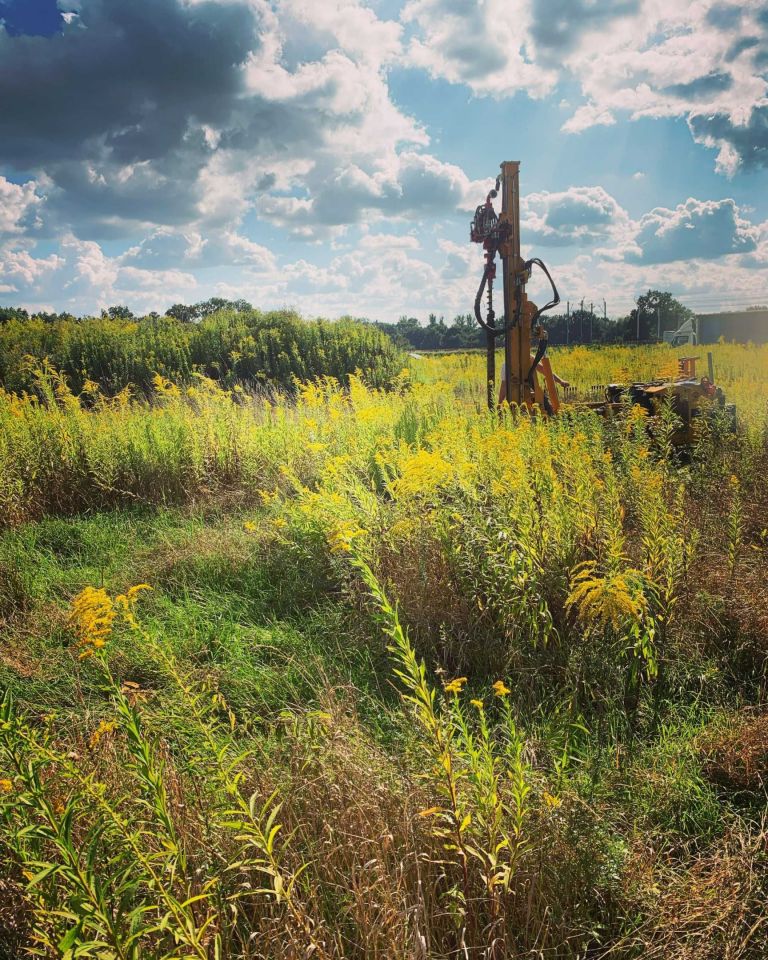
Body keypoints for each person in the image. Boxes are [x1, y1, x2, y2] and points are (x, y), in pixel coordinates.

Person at [498, 358, 569, 409]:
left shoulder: (529, 358)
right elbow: (504, 386)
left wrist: (560, 381)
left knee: (547, 408)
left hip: (531, 399)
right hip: (514, 402)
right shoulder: (506, 365)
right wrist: (499, 404)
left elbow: (545, 371)